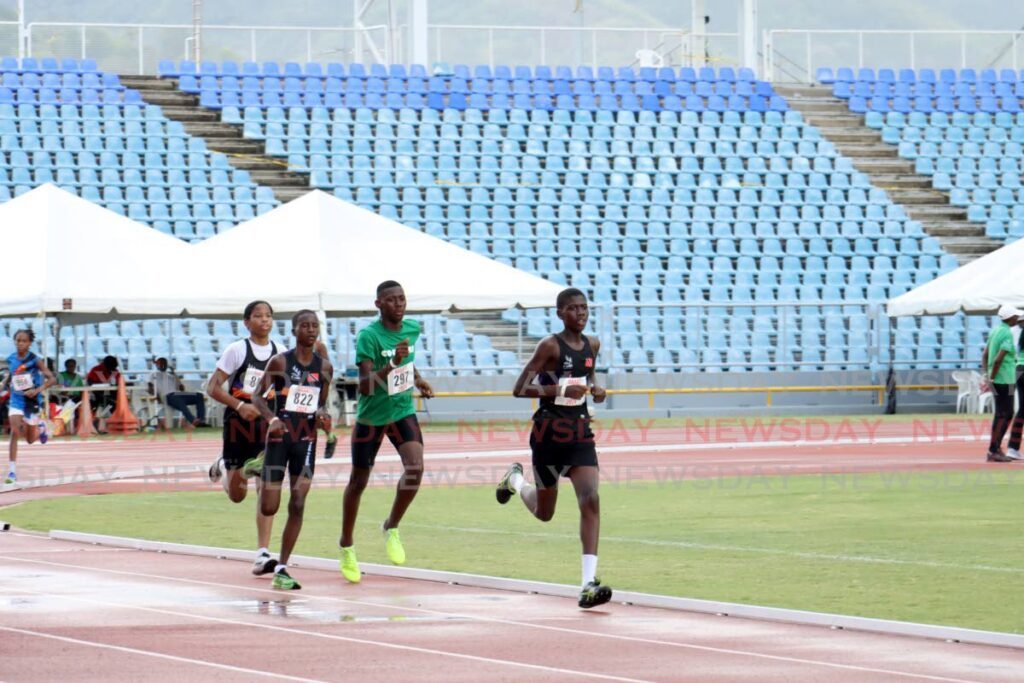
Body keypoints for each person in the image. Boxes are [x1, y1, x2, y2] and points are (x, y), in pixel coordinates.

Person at [495, 288, 612, 609]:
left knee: (591, 498)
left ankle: (588, 583)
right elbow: (519, 388)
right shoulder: (549, 346)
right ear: (560, 313)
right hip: (548, 434)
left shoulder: (593, 344)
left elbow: (586, 377)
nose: (581, 313)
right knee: (545, 513)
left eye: (584, 308)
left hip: (579, 433)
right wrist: (562, 387)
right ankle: (515, 481)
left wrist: (594, 389)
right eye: (573, 309)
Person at [338, 281, 434, 584]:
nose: (399, 304)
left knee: (416, 468)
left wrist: (417, 379)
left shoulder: (412, 328)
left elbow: (408, 359)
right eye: (392, 300)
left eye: (402, 299)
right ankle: (346, 545)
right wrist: (392, 362)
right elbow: (365, 385)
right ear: (379, 304)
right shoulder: (369, 336)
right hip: (372, 417)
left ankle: (391, 526)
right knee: (358, 482)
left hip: (402, 410)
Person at [251, 310, 333, 590]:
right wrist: (272, 419)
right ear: (294, 330)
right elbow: (257, 397)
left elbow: (320, 403)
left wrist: (322, 416)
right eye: (305, 326)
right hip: (279, 437)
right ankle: (260, 468)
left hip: (306, 439)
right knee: (269, 506)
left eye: (315, 326)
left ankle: (283, 567)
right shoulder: (279, 362)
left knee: (297, 502)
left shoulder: (325, 368)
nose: (311, 330)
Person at [205, 300, 282, 575]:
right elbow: (211, 387)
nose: (264, 320)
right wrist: (239, 405)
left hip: (266, 427)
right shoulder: (236, 351)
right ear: (246, 322)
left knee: (267, 487)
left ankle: (262, 553)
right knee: (238, 495)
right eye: (258, 316)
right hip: (238, 424)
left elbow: (284, 391)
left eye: (269, 316)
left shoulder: (280, 353)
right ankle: (224, 466)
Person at [3, 330, 56, 484]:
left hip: (32, 402)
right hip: (16, 399)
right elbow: (11, 376)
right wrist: (3, 385)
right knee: (14, 430)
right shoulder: (11, 359)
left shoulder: (35, 360)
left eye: (24, 341)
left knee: (31, 440)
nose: (20, 343)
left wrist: (38, 390)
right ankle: (12, 472)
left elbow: (52, 378)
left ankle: (42, 428)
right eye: (18, 340)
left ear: (30, 343)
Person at [981, 304, 1022, 462]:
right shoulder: (1006, 333)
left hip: (1002, 379)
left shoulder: (995, 331)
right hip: (1005, 380)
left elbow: (984, 356)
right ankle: (993, 450)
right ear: (1010, 318)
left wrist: (987, 376)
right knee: (1003, 414)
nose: (1017, 318)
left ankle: (995, 448)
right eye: (1015, 316)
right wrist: (991, 378)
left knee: (1005, 413)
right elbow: (998, 359)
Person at [148, 357, 209, 428]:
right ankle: (193, 420)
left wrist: (174, 374)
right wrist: (158, 397)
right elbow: (150, 388)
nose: (163, 365)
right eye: (160, 363)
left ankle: (201, 420)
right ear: (157, 365)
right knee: (178, 400)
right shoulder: (153, 374)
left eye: (164, 363)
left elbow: (181, 388)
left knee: (199, 396)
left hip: (178, 394)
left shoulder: (170, 376)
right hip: (167, 396)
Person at [1005, 318, 1024, 460]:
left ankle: (1013, 447)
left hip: (1018, 369)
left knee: (1022, 410)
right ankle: (1012, 447)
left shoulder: (1018, 333)